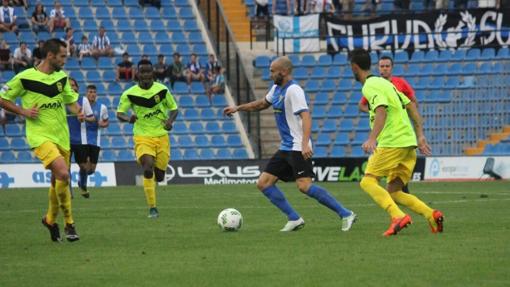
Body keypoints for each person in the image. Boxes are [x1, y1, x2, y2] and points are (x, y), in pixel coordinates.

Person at [223, 56, 357, 232]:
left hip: (297, 146)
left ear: (284, 71)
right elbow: (262, 104)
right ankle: (294, 218)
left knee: (304, 186)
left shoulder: (294, 90)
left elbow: (306, 116)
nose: (270, 74)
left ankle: (346, 213)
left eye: (272, 71)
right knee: (264, 183)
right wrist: (238, 108)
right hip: (286, 147)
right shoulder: (277, 89)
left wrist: (305, 144)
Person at [349, 48, 444, 237]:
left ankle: (397, 216)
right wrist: (420, 135)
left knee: (367, 182)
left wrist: (372, 138)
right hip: (408, 144)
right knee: (394, 191)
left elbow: (381, 110)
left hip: (392, 142)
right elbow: (411, 106)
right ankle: (431, 215)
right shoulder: (387, 84)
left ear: (354, 67)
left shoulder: (369, 86)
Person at [0, 38, 84, 242]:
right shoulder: (25, 77)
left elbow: (71, 103)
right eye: (63, 56)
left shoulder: (62, 78)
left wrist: (79, 112)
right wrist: (23, 111)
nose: (65, 60)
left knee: (58, 181)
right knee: (63, 174)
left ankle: (49, 220)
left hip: (62, 137)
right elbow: (2, 97)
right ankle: (69, 224)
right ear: (50, 56)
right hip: (40, 136)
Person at [116, 59, 179, 218]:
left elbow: (174, 109)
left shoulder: (162, 90)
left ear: (153, 73)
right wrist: (128, 119)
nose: (145, 75)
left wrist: (170, 122)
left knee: (160, 176)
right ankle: (152, 208)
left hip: (161, 136)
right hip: (142, 136)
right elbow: (119, 113)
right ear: (137, 73)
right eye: (142, 72)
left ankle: (155, 184)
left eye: (148, 72)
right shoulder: (129, 94)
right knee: (147, 166)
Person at [358, 55, 417, 194]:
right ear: (378, 68)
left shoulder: (400, 83)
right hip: (386, 135)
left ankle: (398, 199)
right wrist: (377, 111)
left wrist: (402, 114)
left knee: (386, 175)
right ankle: (399, 197)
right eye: (381, 66)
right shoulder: (374, 85)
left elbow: (413, 102)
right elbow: (361, 105)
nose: (384, 69)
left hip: (399, 133)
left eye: (387, 66)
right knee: (392, 173)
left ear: (392, 68)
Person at [67, 80, 108, 199]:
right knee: (66, 167)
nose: (92, 94)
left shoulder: (86, 102)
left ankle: (82, 183)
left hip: (85, 140)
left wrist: (84, 117)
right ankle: (69, 192)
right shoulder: (61, 100)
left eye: (74, 85)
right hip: (67, 139)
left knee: (87, 168)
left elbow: (93, 118)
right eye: (90, 92)